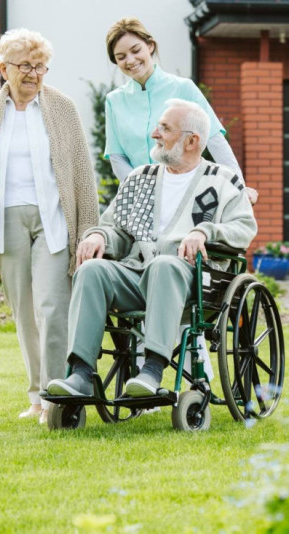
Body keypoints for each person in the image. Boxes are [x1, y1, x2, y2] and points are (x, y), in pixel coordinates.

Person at [46, 99, 256, 399]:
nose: (155, 134)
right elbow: (116, 228)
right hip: (137, 275)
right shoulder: (139, 178)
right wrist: (99, 237)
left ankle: (152, 370)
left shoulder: (222, 180)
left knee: (165, 264)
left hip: (195, 282)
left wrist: (204, 231)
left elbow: (245, 228)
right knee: (92, 270)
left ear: (192, 140)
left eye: (165, 128)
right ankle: (80, 374)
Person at [0, 29, 99, 424]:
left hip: (53, 216)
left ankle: (55, 393)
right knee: (24, 311)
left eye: (39, 66)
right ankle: (36, 396)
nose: (33, 74)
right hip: (7, 219)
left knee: (52, 307)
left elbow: (82, 171)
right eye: (24, 66)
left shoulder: (63, 107)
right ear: (3, 69)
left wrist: (88, 227)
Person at [103, 17, 258, 205]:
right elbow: (117, 156)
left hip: (184, 197)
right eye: (121, 57)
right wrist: (139, 193)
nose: (130, 60)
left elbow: (215, 140)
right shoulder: (114, 101)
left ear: (150, 46)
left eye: (136, 50)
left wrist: (239, 187)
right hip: (139, 203)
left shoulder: (184, 88)